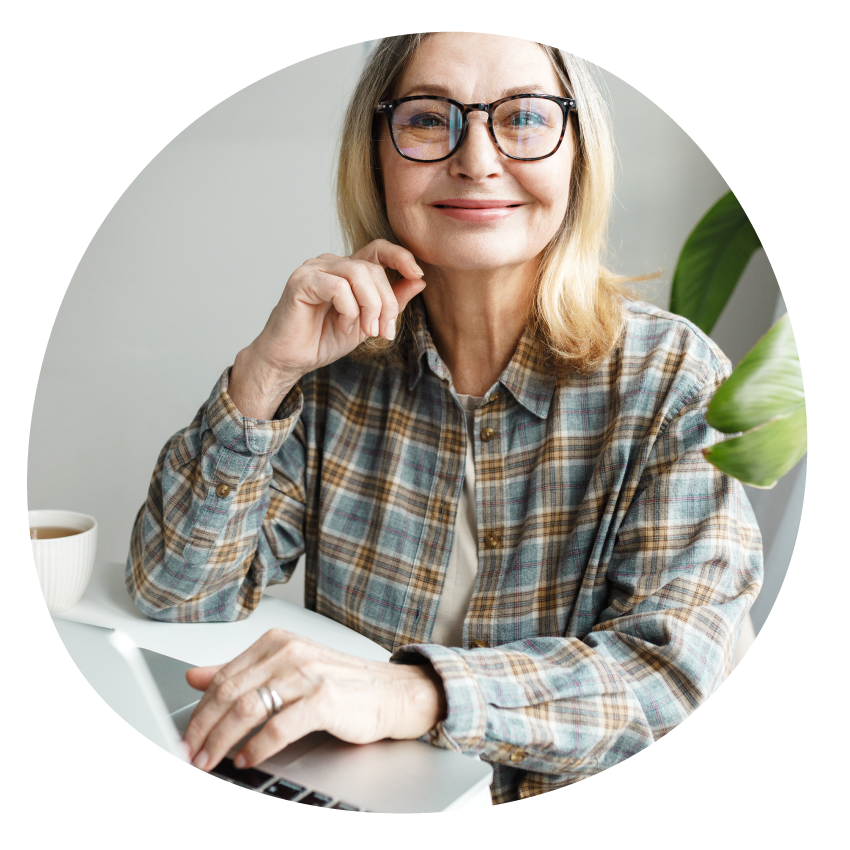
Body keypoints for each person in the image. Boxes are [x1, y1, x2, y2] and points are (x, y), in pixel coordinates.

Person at [126, 33, 763, 805]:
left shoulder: (672, 379)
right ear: (379, 155)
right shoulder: (341, 364)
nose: (477, 159)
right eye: (430, 119)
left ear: (578, 154)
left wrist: (413, 692)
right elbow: (177, 598)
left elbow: (679, 671)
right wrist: (267, 372)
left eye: (523, 117)